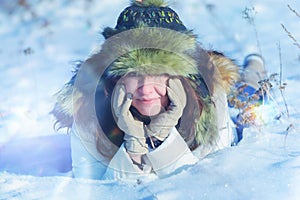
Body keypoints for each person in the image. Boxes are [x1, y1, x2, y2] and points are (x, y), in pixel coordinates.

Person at [52, 0, 248, 180]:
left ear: (180, 77)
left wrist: (162, 141)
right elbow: (97, 191)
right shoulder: (87, 108)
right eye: (133, 74)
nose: (145, 89)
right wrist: (134, 149)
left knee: (249, 96)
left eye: (159, 73)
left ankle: (254, 64)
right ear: (116, 78)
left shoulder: (210, 99)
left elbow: (206, 186)